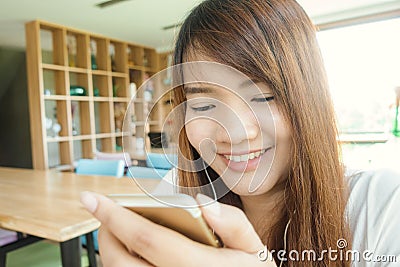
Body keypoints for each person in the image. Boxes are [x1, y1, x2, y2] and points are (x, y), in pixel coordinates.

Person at [80, 0, 400, 266]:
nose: (235, 134)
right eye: (203, 105)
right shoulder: (176, 196)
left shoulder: (381, 204)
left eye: (265, 97)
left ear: (309, 99)